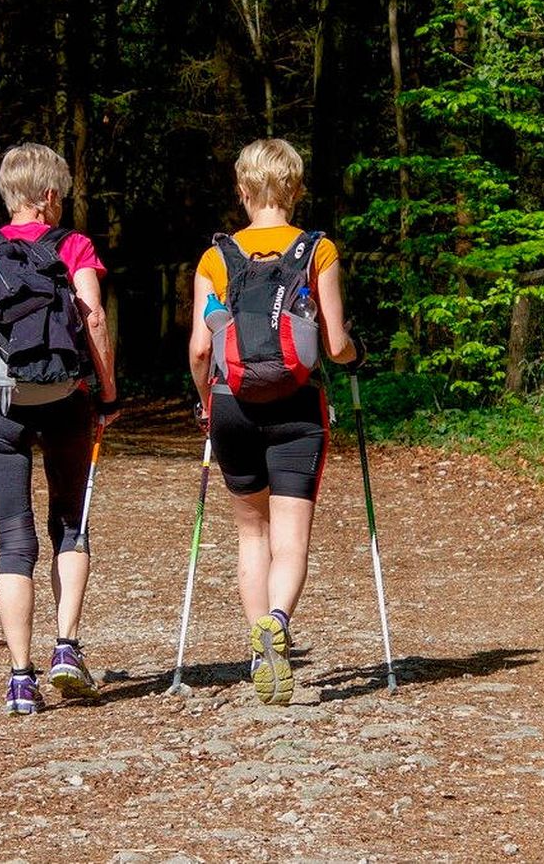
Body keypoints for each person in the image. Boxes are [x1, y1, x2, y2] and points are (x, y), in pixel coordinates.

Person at [188, 138, 362, 705]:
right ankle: (280, 621)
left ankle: (259, 643)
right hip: (296, 406)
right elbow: (334, 345)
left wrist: (205, 404)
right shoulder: (318, 250)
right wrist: (355, 353)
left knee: (250, 533)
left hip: (231, 404)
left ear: (242, 192)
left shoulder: (215, 259)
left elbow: (198, 349)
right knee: (290, 540)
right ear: (295, 189)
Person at [0, 143, 119, 716]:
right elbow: (92, 319)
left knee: (13, 539)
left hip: (1, 406)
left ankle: (20, 678)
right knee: (70, 521)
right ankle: (66, 647)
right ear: (49, 196)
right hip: (65, 399)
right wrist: (108, 391)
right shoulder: (74, 247)